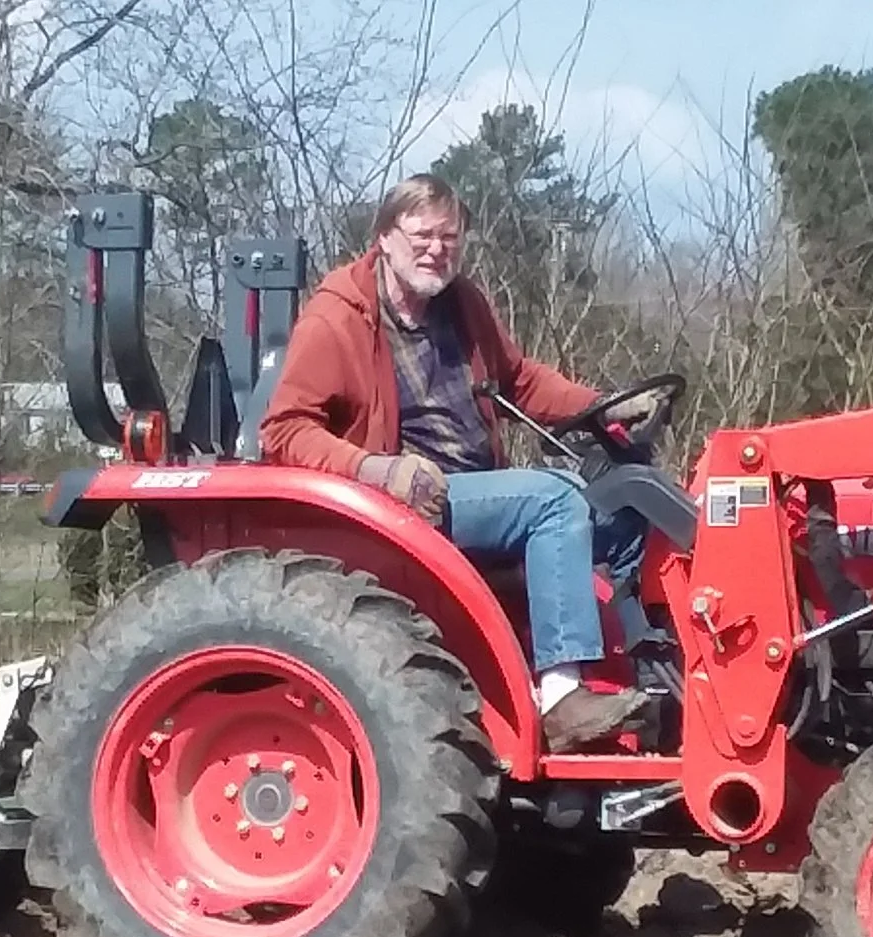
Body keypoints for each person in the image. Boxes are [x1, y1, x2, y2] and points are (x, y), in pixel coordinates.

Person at [258, 172, 665, 753]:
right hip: (403, 505)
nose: (436, 249)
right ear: (385, 237)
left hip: (475, 489)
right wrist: (377, 469)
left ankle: (656, 672)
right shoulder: (338, 317)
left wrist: (606, 406)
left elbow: (520, 381)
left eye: (450, 237)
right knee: (553, 499)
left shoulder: (462, 305)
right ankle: (561, 697)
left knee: (626, 504)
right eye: (422, 234)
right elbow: (285, 430)